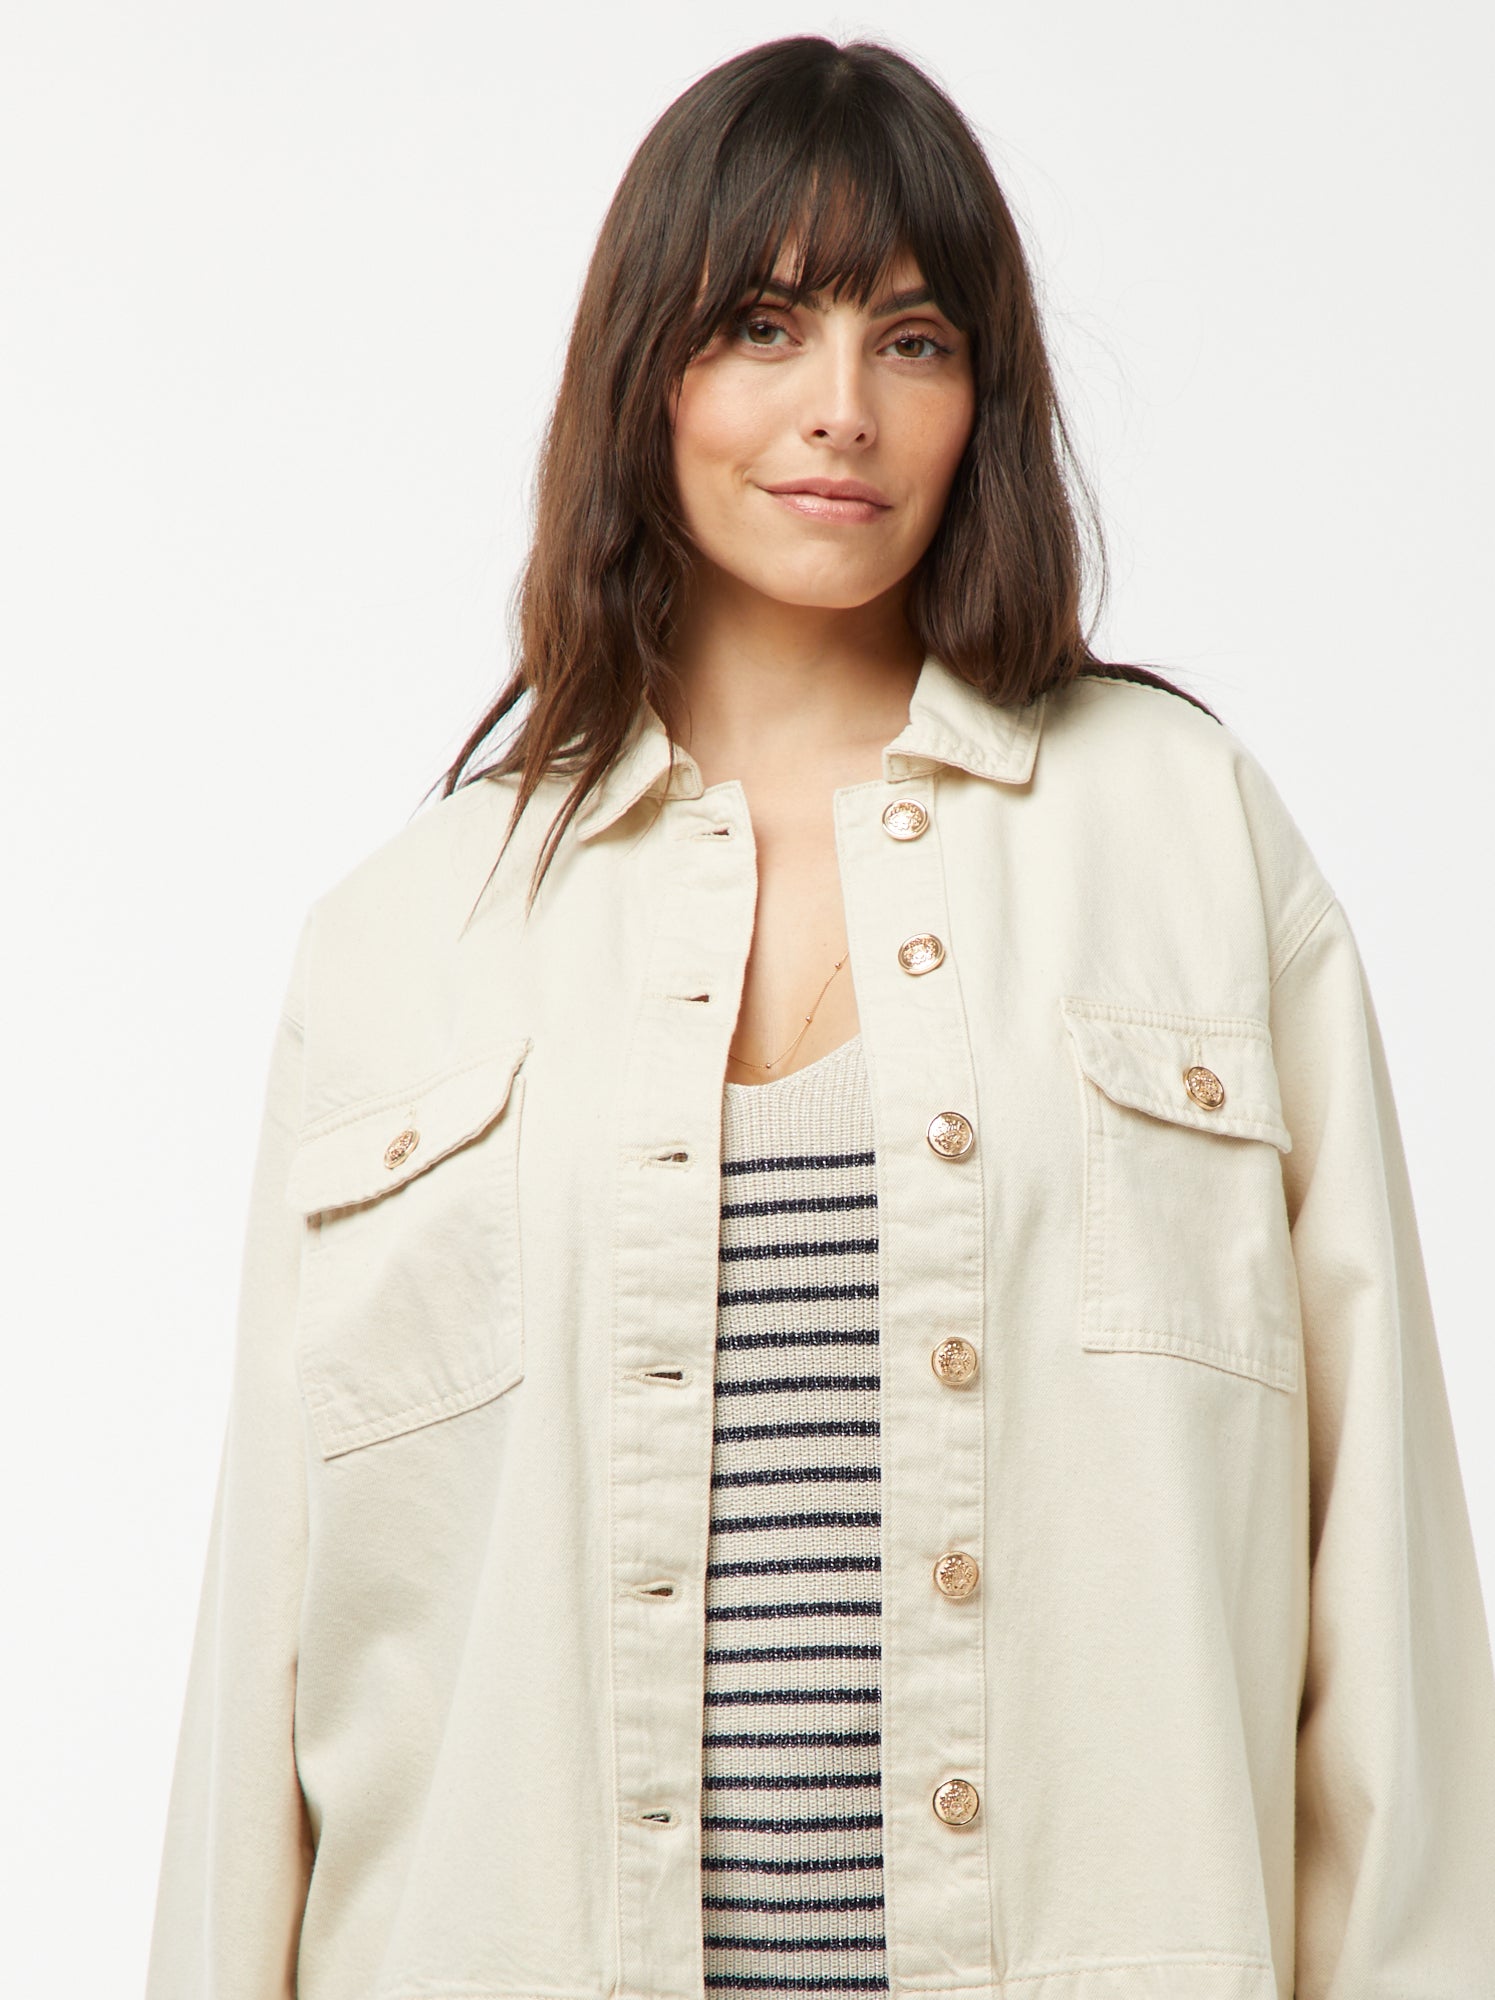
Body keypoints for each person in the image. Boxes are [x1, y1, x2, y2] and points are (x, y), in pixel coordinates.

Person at [144, 33, 1495, 2000]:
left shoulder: (1187, 843)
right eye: (763, 325)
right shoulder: (402, 940)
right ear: (647, 373)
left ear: (982, 400)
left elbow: (1384, 1605)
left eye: (914, 339)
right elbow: (263, 1666)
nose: (842, 408)